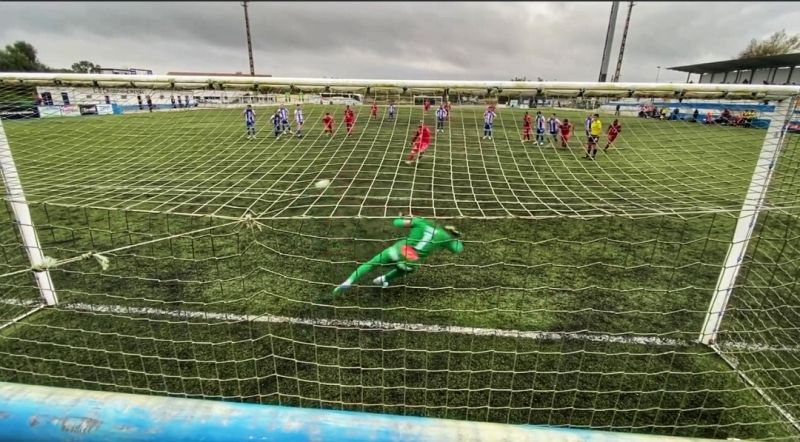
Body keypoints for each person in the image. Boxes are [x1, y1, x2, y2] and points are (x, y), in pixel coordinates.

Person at [330, 215, 464, 296]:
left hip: (398, 250)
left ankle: (348, 281)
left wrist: (404, 217)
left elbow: (396, 222)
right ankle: (383, 279)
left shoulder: (419, 221)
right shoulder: (445, 237)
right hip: (410, 261)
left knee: (371, 263)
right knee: (409, 268)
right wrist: (455, 238)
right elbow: (458, 249)